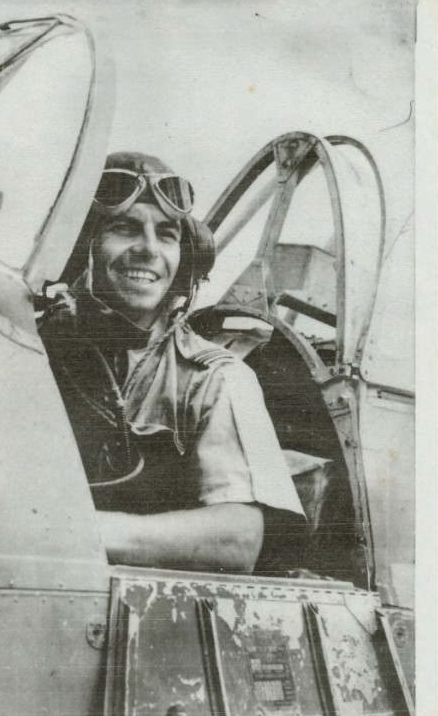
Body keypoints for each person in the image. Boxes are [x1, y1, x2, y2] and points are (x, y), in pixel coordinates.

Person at [40, 152, 303, 573]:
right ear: (81, 247)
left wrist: (67, 532)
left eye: (165, 234)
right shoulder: (30, 348)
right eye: (124, 229)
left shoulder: (215, 377)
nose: (147, 250)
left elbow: (237, 539)